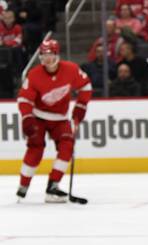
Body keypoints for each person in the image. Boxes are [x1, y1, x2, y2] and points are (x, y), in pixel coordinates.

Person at [15, 39, 92, 202]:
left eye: (49, 54)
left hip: (60, 118)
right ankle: (23, 184)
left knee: (67, 147)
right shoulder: (34, 74)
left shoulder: (71, 69)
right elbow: (24, 98)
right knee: (36, 148)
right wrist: (27, 117)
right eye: (43, 55)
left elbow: (85, 86)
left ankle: (53, 186)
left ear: (57, 54)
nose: (46, 59)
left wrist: (81, 106)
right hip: (38, 116)